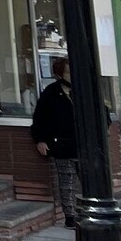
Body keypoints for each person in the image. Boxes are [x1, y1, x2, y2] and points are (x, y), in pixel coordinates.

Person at [31, 57, 80, 228]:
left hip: (83, 145)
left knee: (87, 181)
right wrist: (40, 140)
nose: (71, 75)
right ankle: (70, 216)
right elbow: (39, 118)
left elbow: (102, 110)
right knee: (67, 183)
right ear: (60, 74)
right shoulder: (51, 92)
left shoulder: (83, 89)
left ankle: (86, 210)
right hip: (63, 145)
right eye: (67, 72)